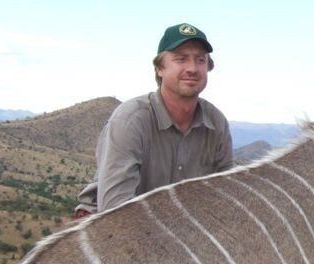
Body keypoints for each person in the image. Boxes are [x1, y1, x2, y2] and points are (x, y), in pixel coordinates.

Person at [75, 23, 233, 216]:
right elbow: (114, 210)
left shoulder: (217, 123)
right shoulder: (130, 120)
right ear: (160, 68)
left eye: (200, 60)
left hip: (185, 230)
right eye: (181, 59)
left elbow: (224, 196)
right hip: (117, 230)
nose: (192, 68)